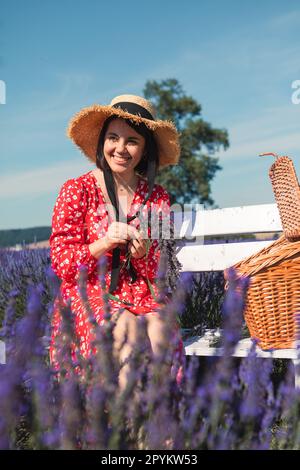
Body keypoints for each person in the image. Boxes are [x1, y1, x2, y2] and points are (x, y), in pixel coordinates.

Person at [49, 94, 182, 390]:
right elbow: (63, 265)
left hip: (142, 296)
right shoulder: (77, 190)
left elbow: (160, 275)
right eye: (113, 138)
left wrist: (144, 253)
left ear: (144, 148)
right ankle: (130, 430)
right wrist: (104, 244)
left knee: (160, 330)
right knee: (125, 330)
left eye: (132, 140)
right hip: (89, 294)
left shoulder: (156, 197)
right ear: (102, 142)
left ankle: (161, 426)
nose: (120, 149)